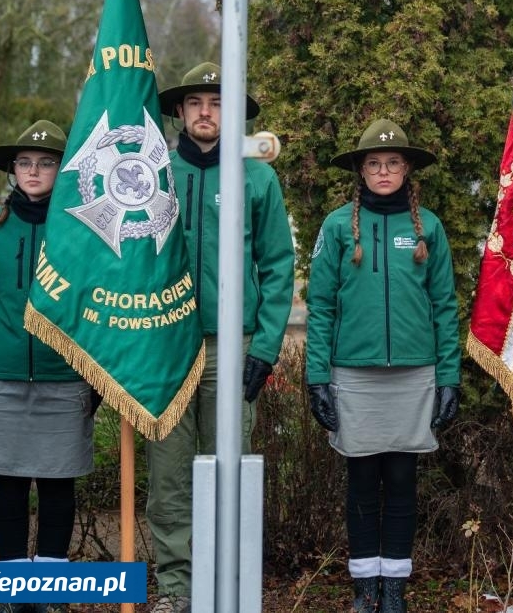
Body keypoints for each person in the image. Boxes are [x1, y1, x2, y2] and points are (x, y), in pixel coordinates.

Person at [149, 64, 296, 613]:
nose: (206, 112)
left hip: (232, 347)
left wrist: (266, 347)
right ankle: (176, 587)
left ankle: (225, 581)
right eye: (195, 102)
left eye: (216, 102)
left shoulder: (256, 178)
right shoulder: (154, 172)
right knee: (169, 476)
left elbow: (278, 265)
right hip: (163, 346)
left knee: (228, 467)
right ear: (180, 112)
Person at [304, 118, 460, 613]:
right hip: (354, 374)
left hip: (415, 374)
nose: (384, 171)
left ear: (407, 168)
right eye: (374, 164)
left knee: (401, 482)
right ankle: (364, 587)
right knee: (361, 483)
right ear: (361, 171)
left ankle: (394, 587)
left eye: (393, 162)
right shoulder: (337, 227)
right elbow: (320, 306)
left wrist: (449, 377)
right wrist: (317, 377)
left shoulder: (428, 226)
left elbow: (445, 306)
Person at [0, 120, 90, 613]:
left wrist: (95, 373)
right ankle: (14, 589)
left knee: (56, 485)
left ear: (62, 170)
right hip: (2, 373)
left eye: (46, 163)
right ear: (13, 169)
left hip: (64, 374)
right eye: (25, 162)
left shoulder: (80, 227)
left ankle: (50, 587)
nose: (34, 171)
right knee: (8, 484)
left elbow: (98, 301)